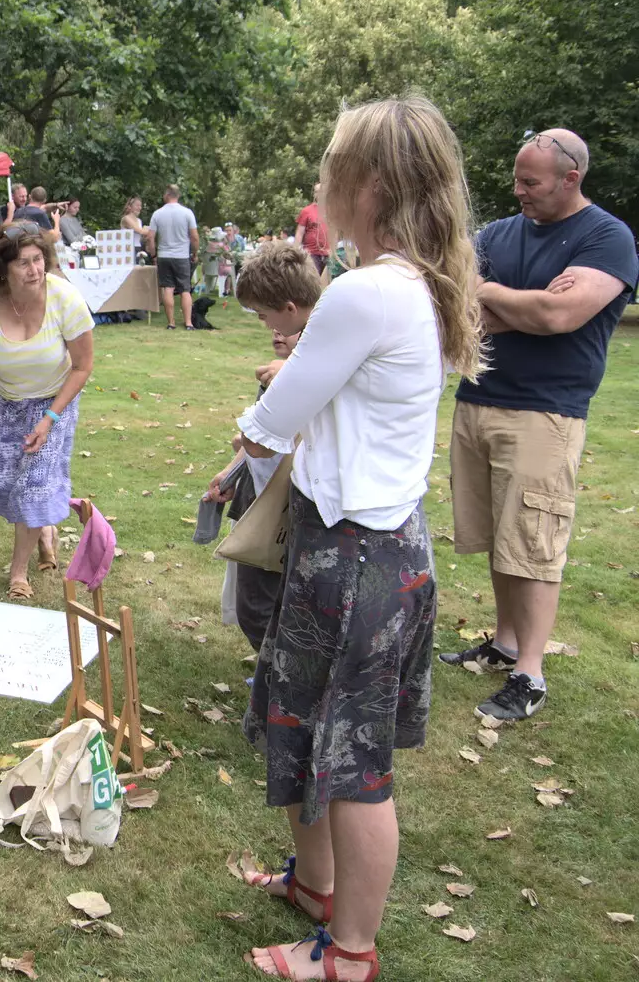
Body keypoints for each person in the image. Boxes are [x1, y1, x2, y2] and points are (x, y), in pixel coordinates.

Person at [233, 96, 483, 982]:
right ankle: (315, 887)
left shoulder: (366, 289)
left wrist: (260, 414)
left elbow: (269, 424)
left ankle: (348, 953)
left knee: (353, 759)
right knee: (308, 729)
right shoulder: (411, 280)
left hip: (355, 557)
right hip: (368, 547)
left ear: (369, 184)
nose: (319, 183)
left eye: (332, 167)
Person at [440, 127, 638, 721]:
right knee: (501, 532)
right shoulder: (500, 233)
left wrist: (498, 294)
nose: (519, 191)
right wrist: (520, 305)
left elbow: (560, 314)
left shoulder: (607, 237)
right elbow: (460, 308)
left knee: (534, 541)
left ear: (570, 178)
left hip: (547, 410)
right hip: (480, 398)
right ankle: (503, 644)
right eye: (518, 179)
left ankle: (530, 673)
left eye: (531, 182)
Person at [0, 220, 95, 601]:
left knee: (32, 485)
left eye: (39, 259)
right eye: (23, 263)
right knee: (1, 484)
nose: (35, 270)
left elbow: (82, 366)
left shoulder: (65, 298)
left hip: (53, 400)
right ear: (2, 270)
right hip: (3, 399)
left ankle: (19, 573)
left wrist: (50, 419)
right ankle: (44, 529)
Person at [204, 243, 322, 651]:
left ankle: (277, 675)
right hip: (261, 493)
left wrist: (249, 443)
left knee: (261, 602)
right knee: (255, 595)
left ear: (289, 309)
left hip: (289, 502)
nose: (267, 327)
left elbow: (264, 440)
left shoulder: (307, 364)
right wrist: (233, 467)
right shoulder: (285, 368)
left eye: (263, 315)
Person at [149, 184, 199, 330]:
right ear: (178, 196)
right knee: (185, 289)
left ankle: (171, 323)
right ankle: (188, 322)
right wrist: (194, 253)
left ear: (167, 195)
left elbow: (150, 238)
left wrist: (154, 255)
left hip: (164, 255)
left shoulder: (157, 214)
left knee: (168, 288)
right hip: (182, 256)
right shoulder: (187, 213)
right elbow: (194, 237)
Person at [294, 184, 330, 274]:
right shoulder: (306, 211)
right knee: (314, 279)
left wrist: (334, 249)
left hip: (328, 254)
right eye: (317, 191)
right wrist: (295, 251)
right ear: (314, 194)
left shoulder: (331, 211)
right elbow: (299, 233)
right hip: (312, 253)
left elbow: (335, 231)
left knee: (327, 282)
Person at [122, 196, 153, 261]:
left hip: (138, 248)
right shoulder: (126, 218)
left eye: (140, 206)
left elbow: (140, 237)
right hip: (128, 248)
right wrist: (151, 230)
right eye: (137, 205)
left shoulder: (139, 220)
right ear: (130, 206)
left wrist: (146, 237)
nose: (139, 208)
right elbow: (140, 231)